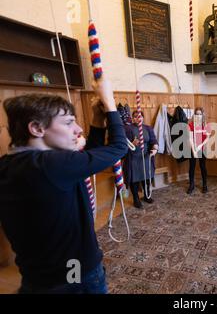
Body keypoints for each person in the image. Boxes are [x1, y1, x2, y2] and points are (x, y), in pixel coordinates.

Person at [0, 78, 128, 294]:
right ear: (37, 128)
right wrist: (109, 104)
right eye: (69, 122)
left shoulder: (10, 165)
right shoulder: (50, 166)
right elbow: (119, 148)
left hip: (38, 274)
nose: (77, 129)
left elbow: (83, 164)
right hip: (72, 272)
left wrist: (97, 122)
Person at [123, 111, 158, 208]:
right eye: (135, 117)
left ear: (142, 117)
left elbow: (153, 141)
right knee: (135, 180)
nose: (138, 118)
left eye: (140, 116)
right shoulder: (127, 129)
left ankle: (147, 196)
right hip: (133, 158)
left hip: (146, 157)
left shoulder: (148, 128)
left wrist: (155, 149)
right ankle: (136, 199)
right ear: (132, 118)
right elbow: (123, 144)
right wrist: (132, 143)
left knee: (147, 178)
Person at [187, 107, 210, 194]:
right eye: (197, 114)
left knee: (203, 167)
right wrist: (194, 151)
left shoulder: (206, 125)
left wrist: (200, 146)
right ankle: (191, 185)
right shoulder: (190, 125)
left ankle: (205, 185)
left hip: (202, 148)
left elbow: (207, 138)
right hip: (193, 148)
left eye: (200, 114)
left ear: (202, 115)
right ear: (194, 115)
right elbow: (190, 139)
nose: (198, 116)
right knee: (191, 167)